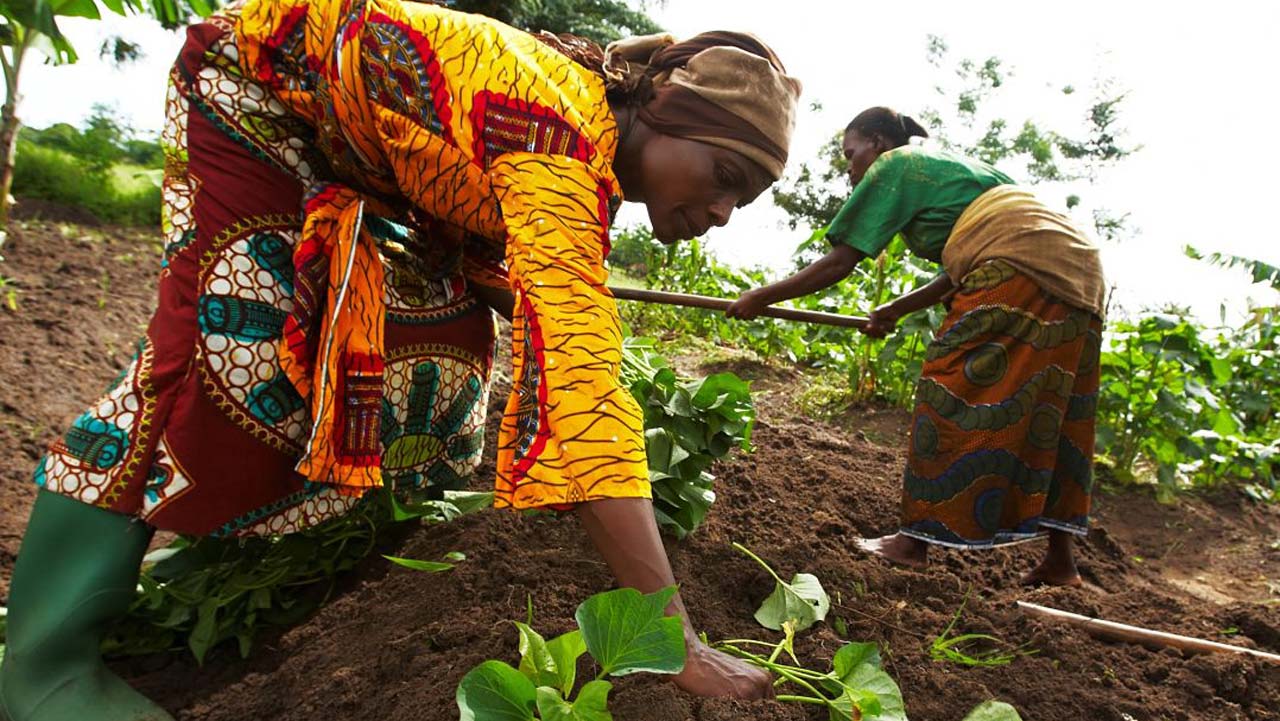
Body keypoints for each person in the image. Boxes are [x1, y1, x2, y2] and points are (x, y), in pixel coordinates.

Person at [0, 1, 803, 718]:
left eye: (746, 200)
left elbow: (498, 253)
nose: (726, 212)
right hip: (250, 94)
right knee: (227, 351)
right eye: (725, 175)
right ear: (665, 112)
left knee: (440, 341)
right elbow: (582, 394)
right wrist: (676, 644)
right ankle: (45, 664)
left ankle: (222, 562)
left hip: (355, 155)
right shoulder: (557, 143)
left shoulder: (578, 149)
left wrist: (550, 305)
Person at [727, 106, 1105, 587]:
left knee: (950, 384)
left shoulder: (896, 163)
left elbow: (841, 261)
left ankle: (912, 544)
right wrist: (896, 309)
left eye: (851, 153)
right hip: (1082, 272)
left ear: (880, 143)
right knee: (1055, 407)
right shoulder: (967, 172)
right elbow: (958, 271)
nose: (850, 167)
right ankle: (1061, 562)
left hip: (1018, 262)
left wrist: (763, 296)